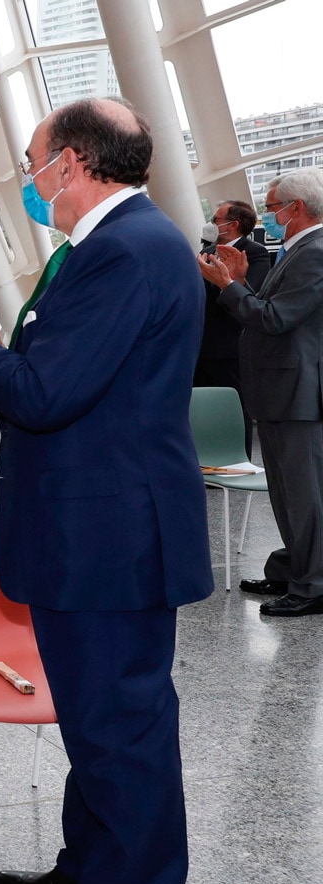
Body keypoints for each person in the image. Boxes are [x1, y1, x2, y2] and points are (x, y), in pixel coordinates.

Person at [0, 97, 213, 884]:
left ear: (70, 163)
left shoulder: (124, 251)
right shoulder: (111, 243)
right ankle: (90, 871)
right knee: (95, 720)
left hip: (109, 536)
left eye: (33, 164)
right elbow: (72, 373)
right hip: (96, 527)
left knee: (122, 732)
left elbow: (43, 395)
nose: (29, 180)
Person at [199, 167, 323, 618]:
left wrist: (229, 287)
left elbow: (274, 319)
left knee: (304, 496)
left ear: (297, 208)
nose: (268, 216)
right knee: (287, 495)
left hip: (297, 394)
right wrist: (242, 284)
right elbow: (270, 310)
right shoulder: (297, 250)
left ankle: (313, 585)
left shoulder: (314, 252)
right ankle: (293, 571)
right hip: (279, 392)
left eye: (272, 208)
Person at [195, 199, 271, 456]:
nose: (211, 224)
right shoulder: (208, 251)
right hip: (201, 345)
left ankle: (238, 461)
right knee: (203, 409)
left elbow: (252, 295)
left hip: (229, 347)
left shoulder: (254, 252)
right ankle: (208, 462)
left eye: (216, 219)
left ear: (233, 224)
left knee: (235, 409)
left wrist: (223, 279)